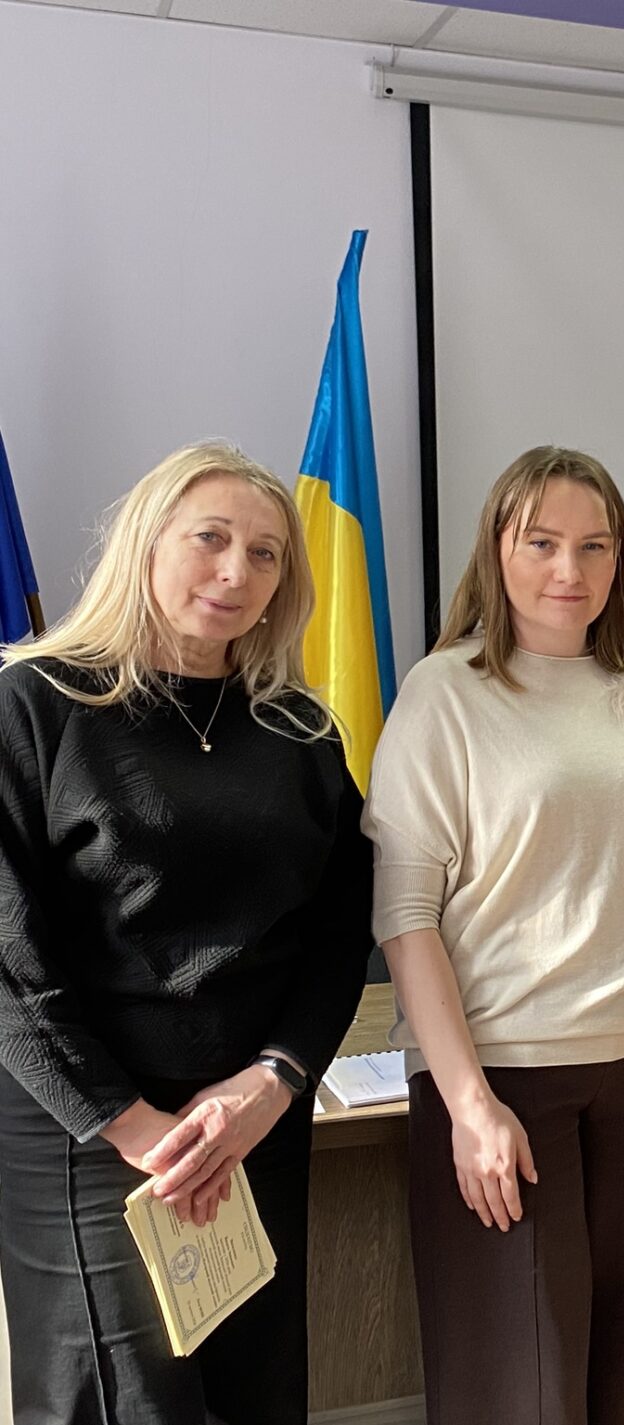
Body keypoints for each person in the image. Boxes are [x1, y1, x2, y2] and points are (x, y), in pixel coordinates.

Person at [0, 440, 372, 1424]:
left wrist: (274, 1080)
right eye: (210, 538)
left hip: (250, 1124)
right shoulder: (34, 705)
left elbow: (339, 934)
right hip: (92, 1136)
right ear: (146, 541)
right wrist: (138, 1129)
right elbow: (8, 961)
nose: (235, 571)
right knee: (126, 1401)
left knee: (256, 1390)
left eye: (264, 554)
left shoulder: (299, 730)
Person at [363, 446, 624, 1425]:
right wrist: (468, 1105)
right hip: (506, 1081)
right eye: (542, 543)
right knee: (522, 1385)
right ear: (498, 548)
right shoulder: (444, 693)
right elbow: (405, 917)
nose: (570, 569)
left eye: (594, 546)